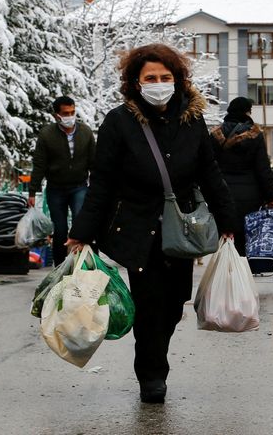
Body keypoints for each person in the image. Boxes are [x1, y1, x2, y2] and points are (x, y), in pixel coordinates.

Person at [66, 44, 236, 405]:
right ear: (135, 82)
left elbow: (210, 174)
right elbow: (103, 182)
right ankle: (152, 374)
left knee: (174, 305)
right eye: (150, 78)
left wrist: (228, 222)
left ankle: (155, 354)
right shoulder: (118, 122)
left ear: (178, 80)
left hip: (181, 227)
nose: (158, 84)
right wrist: (82, 232)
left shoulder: (193, 122)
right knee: (149, 303)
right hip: (137, 226)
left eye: (165, 77)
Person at [28, 96, 95, 267]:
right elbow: (39, 164)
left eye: (72, 112)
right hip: (56, 188)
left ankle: (87, 265)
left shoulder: (85, 133)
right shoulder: (47, 135)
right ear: (57, 115)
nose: (70, 116)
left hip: (79, 186)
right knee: (60, 229)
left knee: (82, 225)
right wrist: (32, 191)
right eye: (66, 113)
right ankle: (59, 266)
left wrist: (96, 187)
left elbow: (94, 161)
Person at [210, 97, 273, 257]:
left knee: (224, 237)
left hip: (221, 194)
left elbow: (208, 167)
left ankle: (225, 275)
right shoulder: (255, 135)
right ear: (247, 112)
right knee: (244, 240)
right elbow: (263, 169)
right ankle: (242, 273)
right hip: (250, 196)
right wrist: (271, 196)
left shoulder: (214, 134)